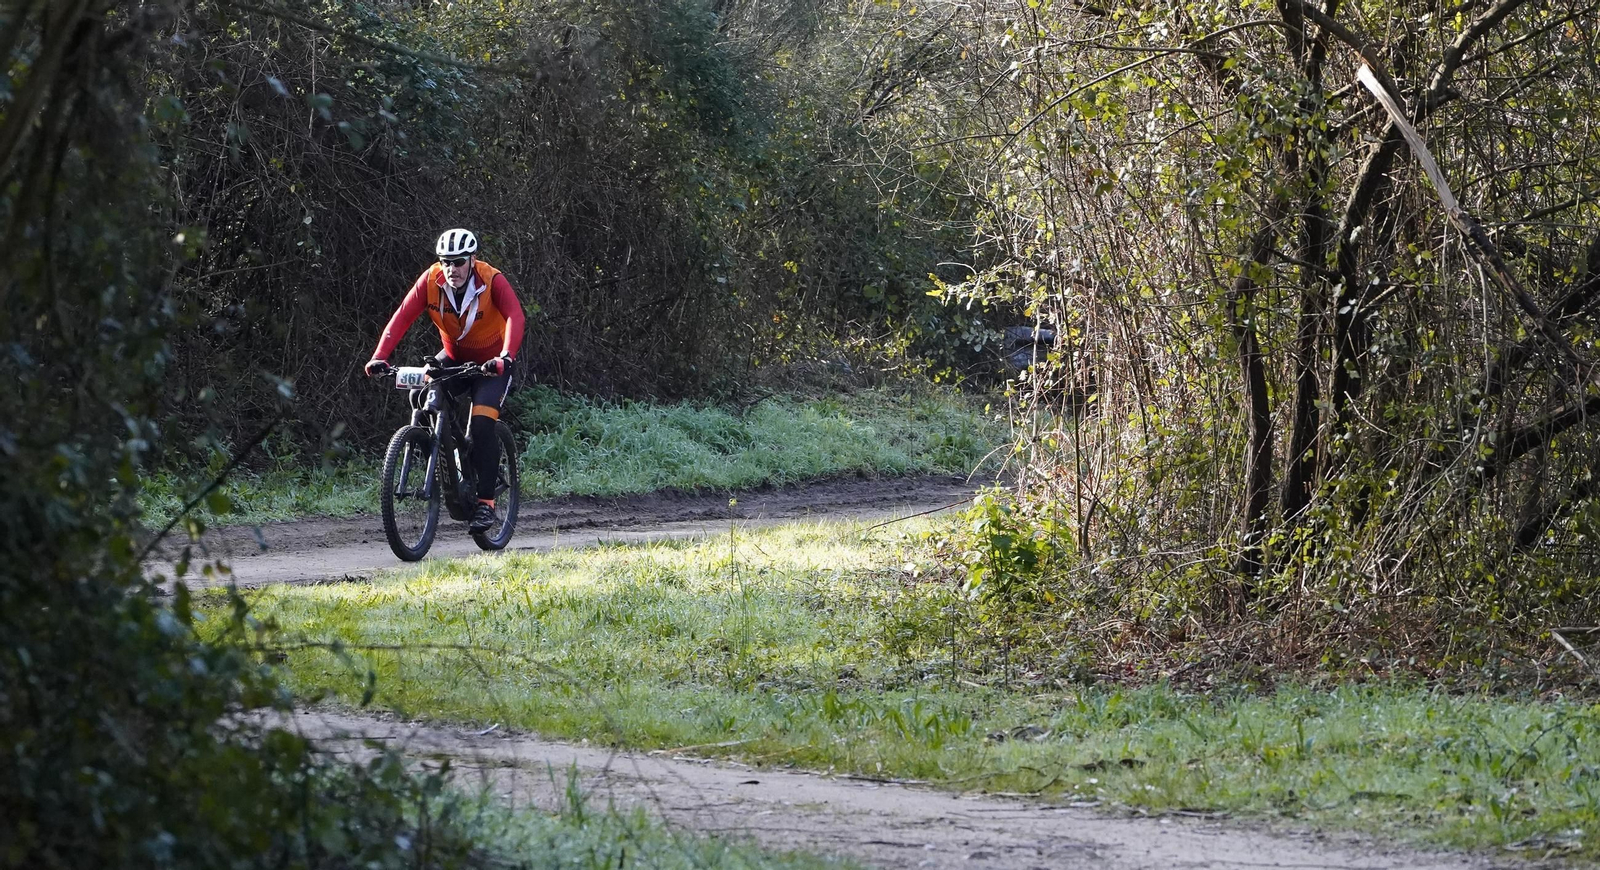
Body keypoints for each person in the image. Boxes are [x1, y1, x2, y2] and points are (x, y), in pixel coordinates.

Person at [365, 228, 526, 532]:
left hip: (491, 365)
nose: (452, 269)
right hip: (454, 357)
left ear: (472, 260)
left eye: (459, 262)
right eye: (446, 262)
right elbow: (402, 317)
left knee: (482, 425)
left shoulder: (491, 280)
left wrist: (505, 357)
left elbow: (515, 316)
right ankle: (448, 456)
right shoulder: (430, 281)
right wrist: (380, 357)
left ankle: (486, 503)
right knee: (420, 395)